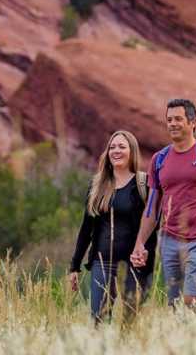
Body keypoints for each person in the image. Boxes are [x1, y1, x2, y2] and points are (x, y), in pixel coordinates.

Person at [130, 98, 196, 307]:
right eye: (169, 120)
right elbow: (152, 208)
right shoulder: (159, 159)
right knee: (176, 304)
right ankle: (190, 339)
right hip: (169, 242)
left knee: (192, 302)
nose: (173, 124)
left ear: (192, 122)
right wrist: (139, 243)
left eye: (178, 119)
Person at [67, 130, 158, 324]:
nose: (116, 151)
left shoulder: (143, 184)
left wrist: (145, 253)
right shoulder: (97, 184)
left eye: (122, 147)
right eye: (112, 147)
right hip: (102, 262)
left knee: (130, 321)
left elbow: (152, 226)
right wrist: (74, 266)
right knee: (99, 321)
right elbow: (86, 229)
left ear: (132, 151)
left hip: (134, 265)